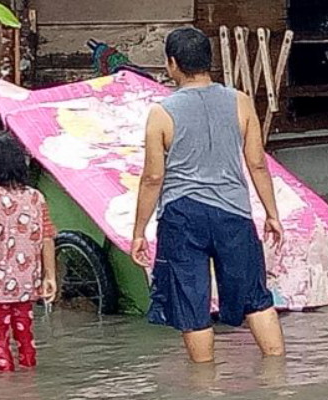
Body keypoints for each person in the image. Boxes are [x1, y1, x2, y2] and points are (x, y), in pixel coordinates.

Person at [131, 27, 285, 363]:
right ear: (209, 61)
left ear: (172, 64)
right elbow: (257, 165)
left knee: (192, 303)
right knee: (256, 298)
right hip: (234, 215)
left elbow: (153, 177)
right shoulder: (241, 102)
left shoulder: (161, 113)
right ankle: (278, 378)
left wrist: (139, 231)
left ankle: (205, 387)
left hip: (182, 217)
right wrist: (272, 214)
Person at [0, 134, 58, 372]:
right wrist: (50, 277)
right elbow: (47, 238)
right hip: (27, 284)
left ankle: (6, 385)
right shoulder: (36, 197)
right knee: (26, 337)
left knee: (0, 340)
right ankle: (28, 378)